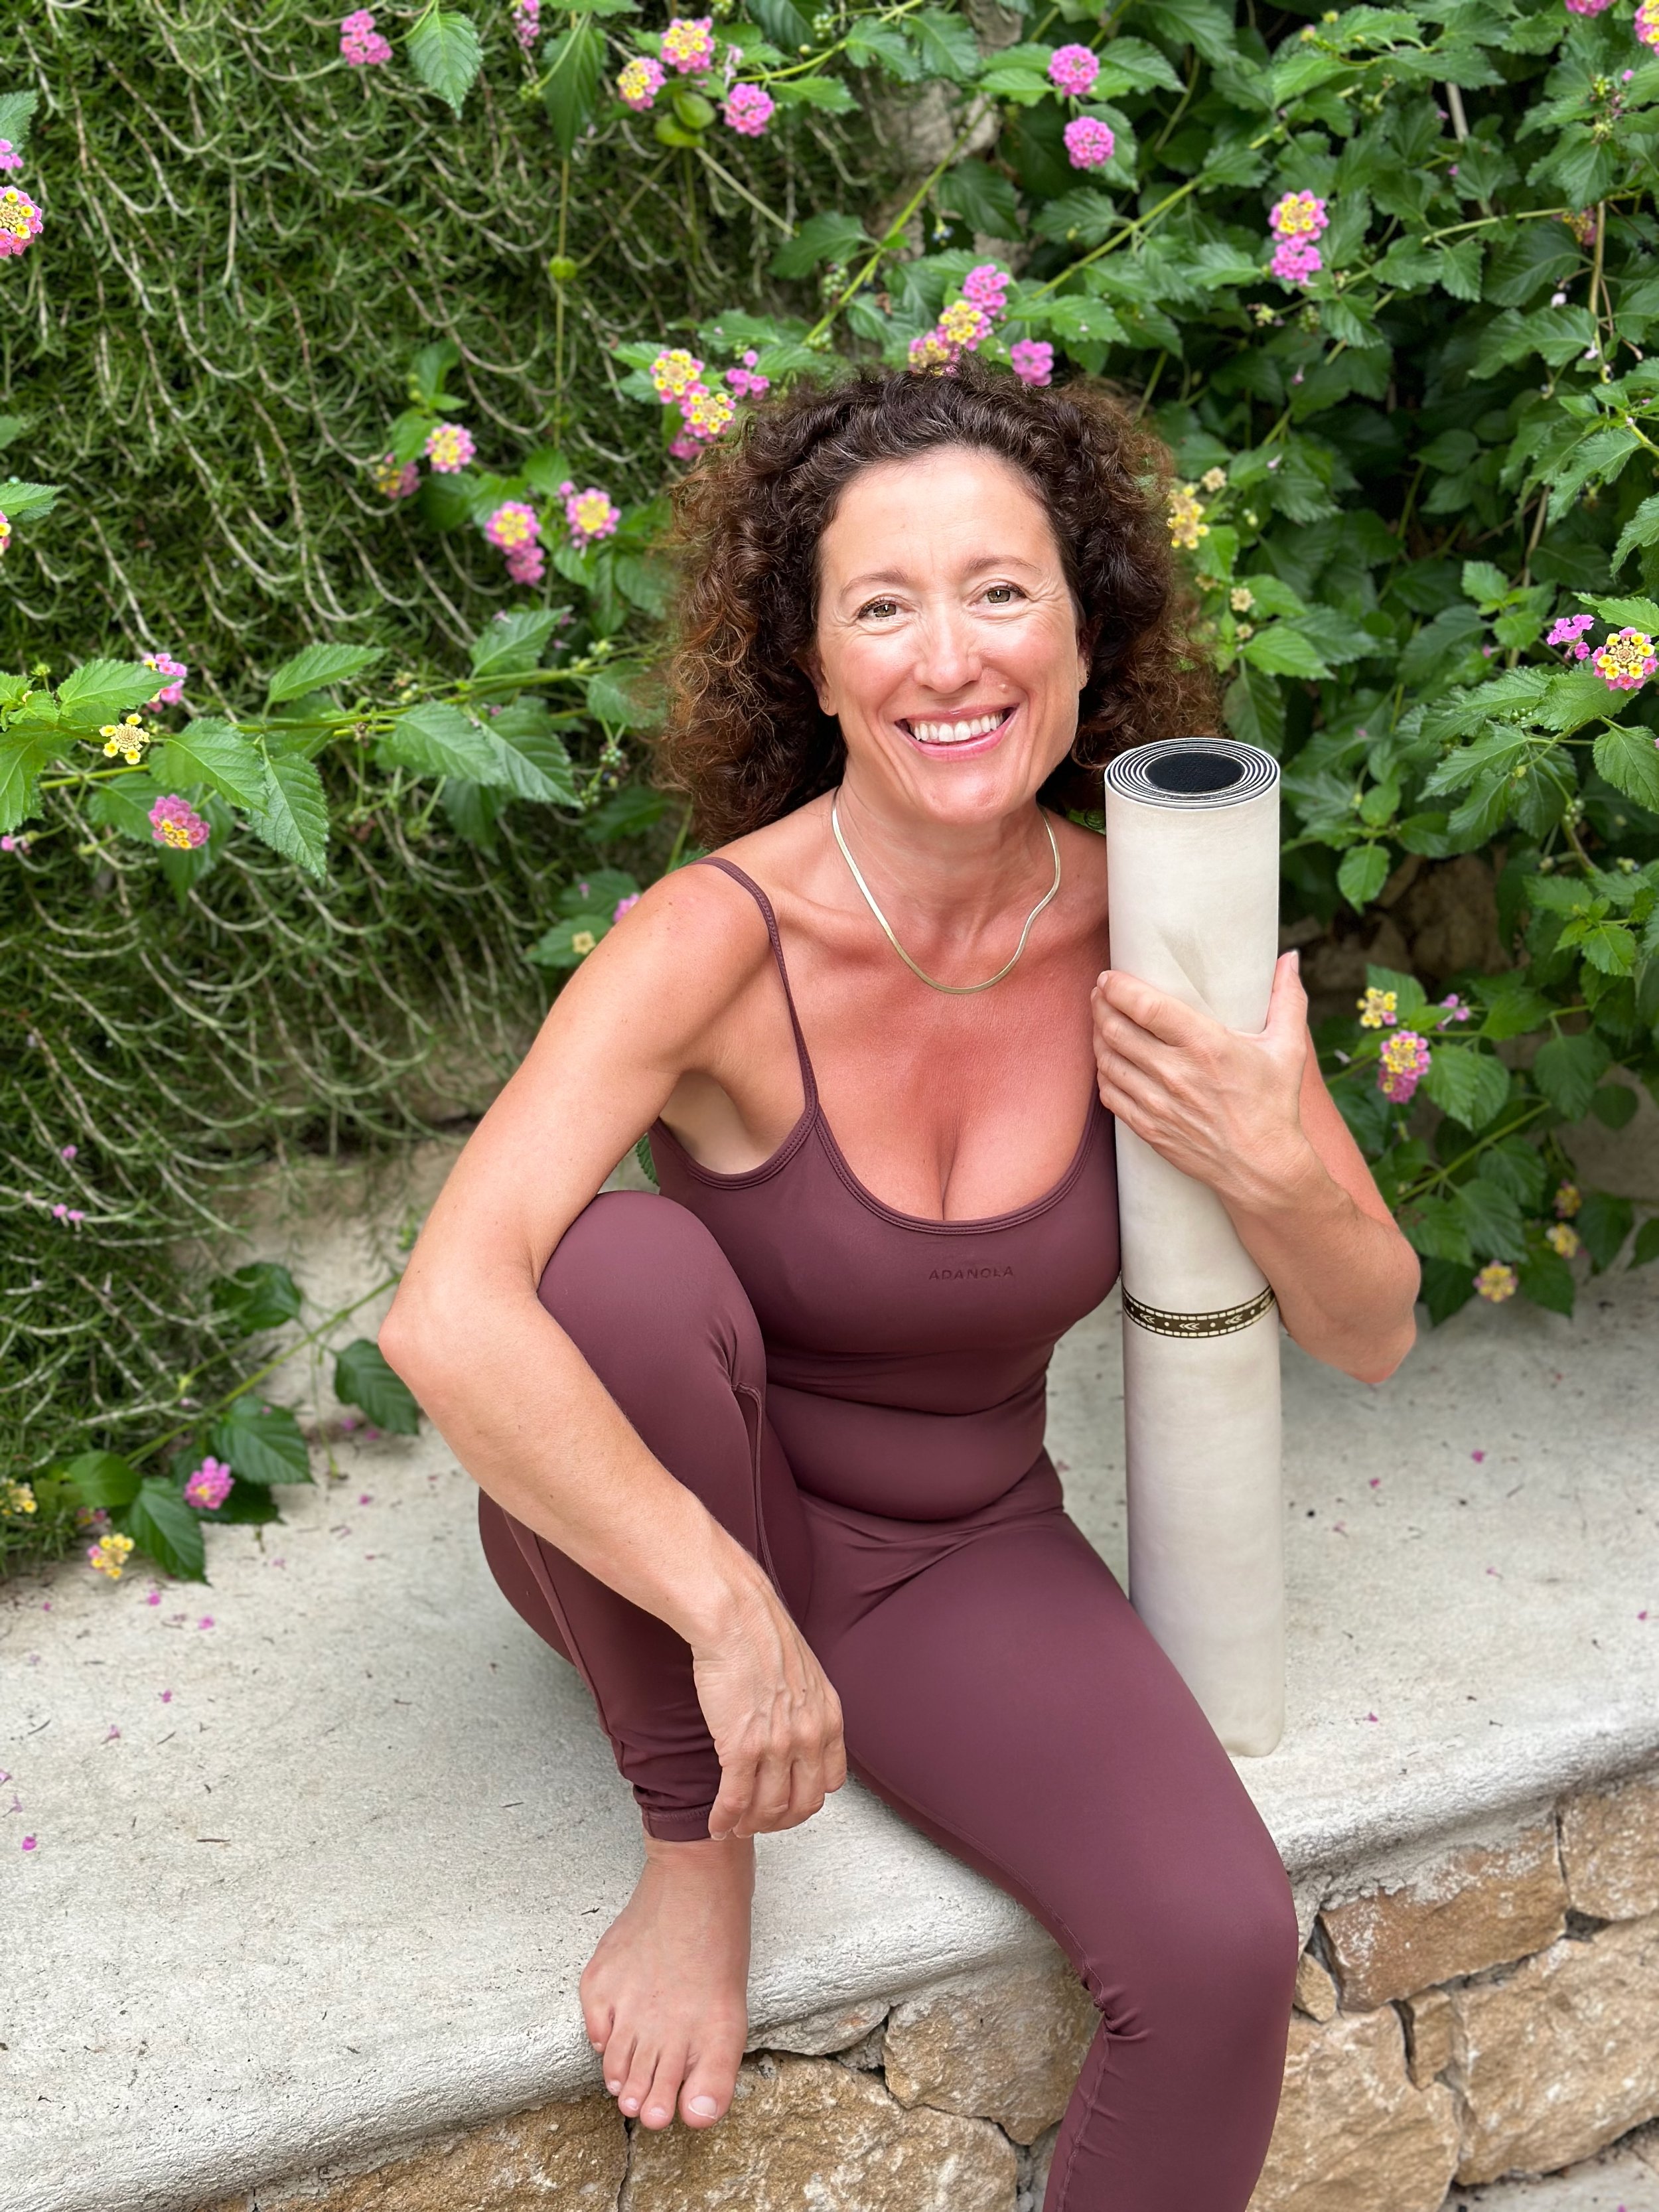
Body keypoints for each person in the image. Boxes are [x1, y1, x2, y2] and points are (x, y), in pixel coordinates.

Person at [380, 362, 1420, 2211]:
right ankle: (696, 1856)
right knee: (613, 1268)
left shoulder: (1155, 925)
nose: (950, 659)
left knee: (1218, 1948)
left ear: (1086, 635)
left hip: (958, 1554)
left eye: (1000, 591)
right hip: (655, 1529)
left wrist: (1264, 1156)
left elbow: (1371, 1326)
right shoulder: (713, 936)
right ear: (811, 662)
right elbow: (445, 1313)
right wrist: (728, 1616)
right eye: (882, 606)